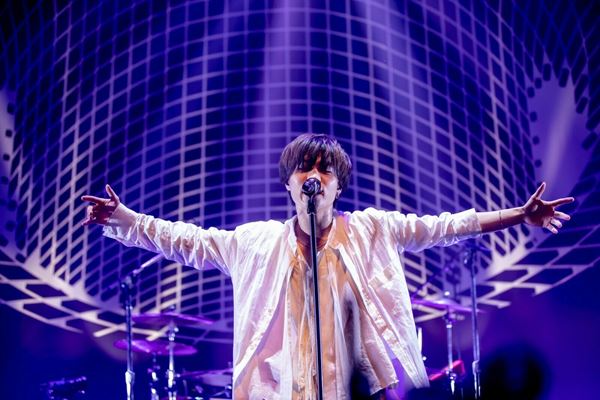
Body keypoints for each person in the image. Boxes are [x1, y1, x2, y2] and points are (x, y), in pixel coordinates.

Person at [82, 133, 573, 399]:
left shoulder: (372, 230)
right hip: (282, 388)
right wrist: (126, 219)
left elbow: (444, 226)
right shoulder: (256, 243)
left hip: (359, 385)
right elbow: (185, 240)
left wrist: (519, 214)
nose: (314, 175)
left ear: (338, 186)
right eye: (305, 168)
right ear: (289, 183)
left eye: (325, 169)